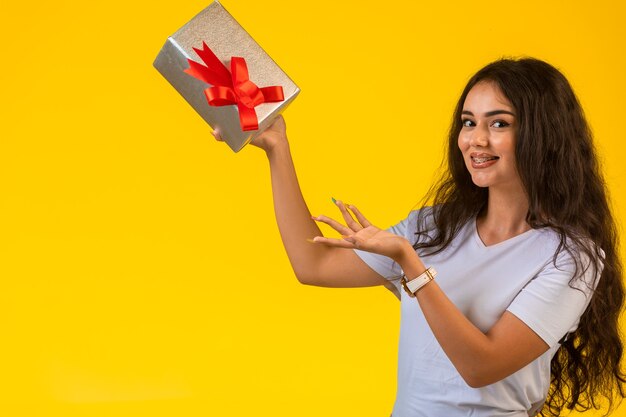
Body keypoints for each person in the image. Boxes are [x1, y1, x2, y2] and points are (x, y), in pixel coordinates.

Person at [212, 57, 625, 416]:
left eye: (499, 123)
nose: (475, 140)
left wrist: (412, 266)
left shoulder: (570, 257)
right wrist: (277, 150)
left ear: (543, 134)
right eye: (468, 123)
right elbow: (314, 265)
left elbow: (481, 367)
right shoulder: (434, 227)